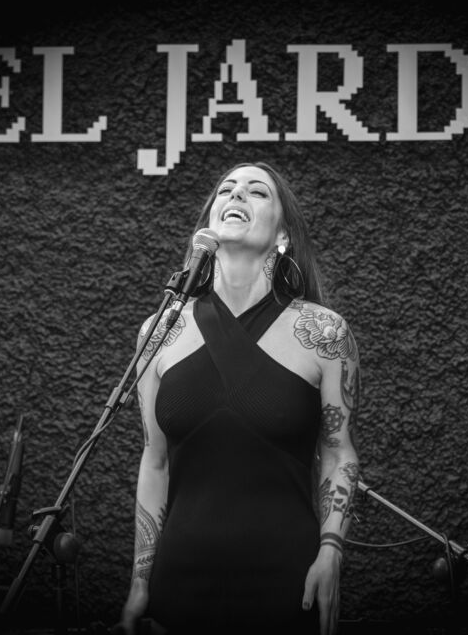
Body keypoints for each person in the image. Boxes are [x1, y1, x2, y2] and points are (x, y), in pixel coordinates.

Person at [118, 162, 361, 635]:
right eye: (226, 189)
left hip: (286, 579)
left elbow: (339, 452)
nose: (236, 195)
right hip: (180, 579)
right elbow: (155, 461)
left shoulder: (325, 333)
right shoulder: (160, 330)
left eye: (257, 191)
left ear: (283, 235)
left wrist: (331, 552)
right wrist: (139, 582)